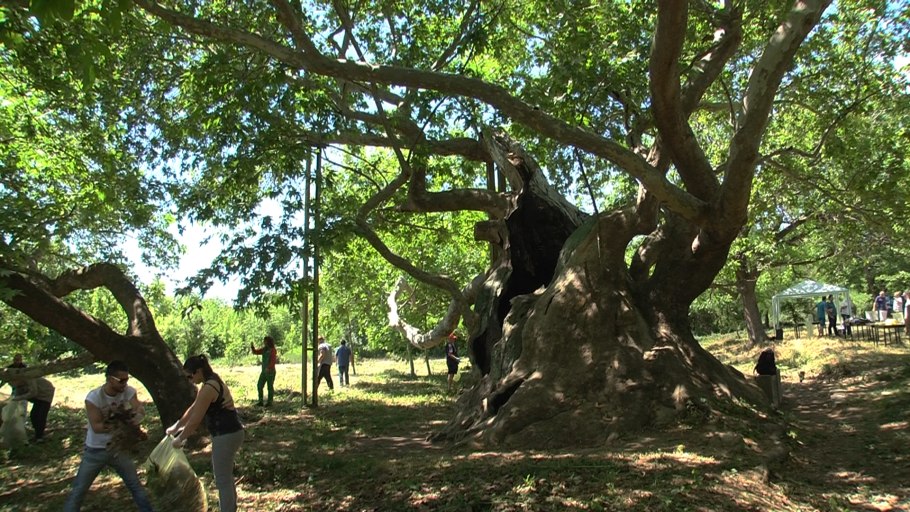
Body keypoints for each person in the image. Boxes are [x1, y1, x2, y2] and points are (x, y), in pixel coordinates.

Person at [63, 360, 154, 512]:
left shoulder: (129, 391)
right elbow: (97, 427)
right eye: (121, 380)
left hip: (119, 450)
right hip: (96, 451)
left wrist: (137, 417)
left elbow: (139, 409)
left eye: (127, 379)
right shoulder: (93, 398)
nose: (125, 383)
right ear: (110, 379)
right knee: (79, 491)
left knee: (136, 486)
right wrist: (120, 424)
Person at [168, 355, 244, 512]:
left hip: (225, 435)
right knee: (226, 476)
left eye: (190, 376)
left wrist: (181, 438)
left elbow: (196, 419)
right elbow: (194, 407)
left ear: (199, 371)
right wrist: (177, 426)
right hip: (232, 432)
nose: (189, 380)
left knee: (222, 479)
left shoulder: (209, 387)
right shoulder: (210, 381)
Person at [9, 372, 55, 442]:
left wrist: (18, 398)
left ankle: (39, 437)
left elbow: (33, 392)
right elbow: (15, 396)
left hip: (46, 394)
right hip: (37, 397)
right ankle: (38, 433)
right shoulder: (19, 386)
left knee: (41, 415)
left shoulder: (29, 379)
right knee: (33, 415)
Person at [250, 335, 277, 406]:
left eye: (265, 341)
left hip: (270, 372)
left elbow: (273, 361)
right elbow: (256, 352)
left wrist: (269, 368)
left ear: (268, 342)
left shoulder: (273, 350)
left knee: (270, 386)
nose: (264, 342)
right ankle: (260, 401)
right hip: (264, 372)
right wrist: (252, 347)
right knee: (259, 385)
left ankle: (270, 402)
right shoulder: (264, 349)